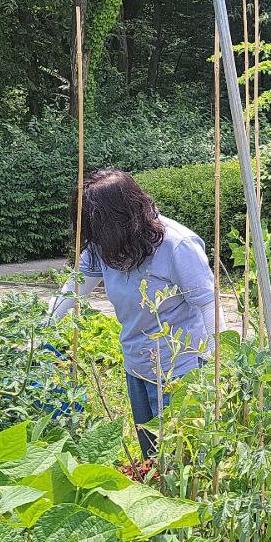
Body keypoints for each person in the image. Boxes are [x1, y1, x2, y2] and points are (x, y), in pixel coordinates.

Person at [49, 167, 216, 458]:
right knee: (151, 454)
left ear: (122, 220)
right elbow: (74, 290)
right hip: (136, 362)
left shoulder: (177, 246)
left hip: (180, 367)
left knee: (183, 459)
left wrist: (216, 367)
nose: (93, 241)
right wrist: (38, 332)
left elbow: (208, 305)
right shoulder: (104, 246)